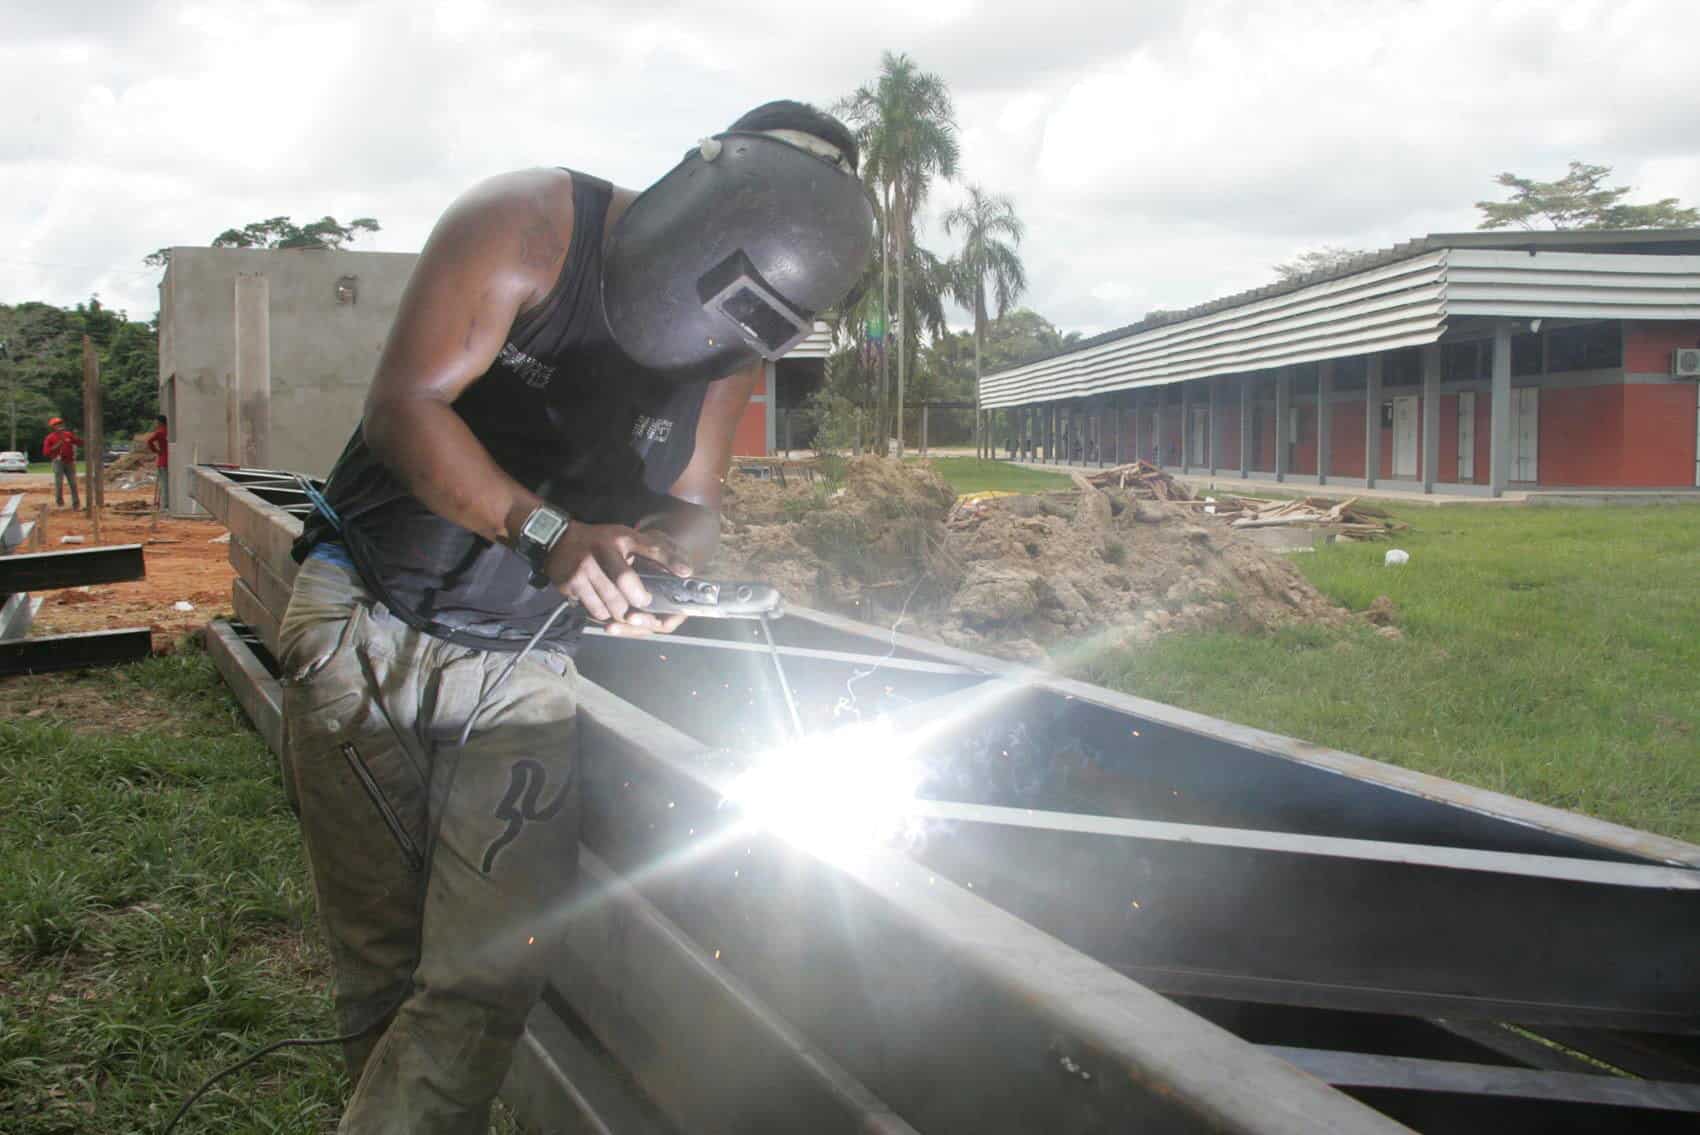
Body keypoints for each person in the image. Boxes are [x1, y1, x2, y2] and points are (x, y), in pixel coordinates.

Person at [278, 100, 873, 1134]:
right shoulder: (526, 227)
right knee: (383, 970)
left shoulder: (734, 347)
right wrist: (544, 527)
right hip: (364, 623)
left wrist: (664, 565)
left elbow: (690, 501)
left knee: (489, 971)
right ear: (700, 198)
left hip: (519, 670)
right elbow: (402, 404)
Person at [42, 417, 82, 509]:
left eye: (60, 424)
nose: (59, 426)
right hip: (57, 462)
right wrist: (57, 445)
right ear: (53, 427)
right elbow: (46, 452)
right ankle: (60, 503)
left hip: (69, 462)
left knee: (73, 483)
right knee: (59, 483)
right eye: (56, 425)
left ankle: (76, 504)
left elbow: (78, 442)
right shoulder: (50, 438)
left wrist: (77, 436)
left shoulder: (68, 434)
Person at [146, 415, 169, 510]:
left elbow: (149, 441)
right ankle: (165, 504)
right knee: (166, 484)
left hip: (163, 461)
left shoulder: (160, 432)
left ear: (160, 422)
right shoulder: (168, 431)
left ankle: (165, 505)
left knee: (164, 484)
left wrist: (156, 451)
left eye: (156, 422)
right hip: (169, 461)